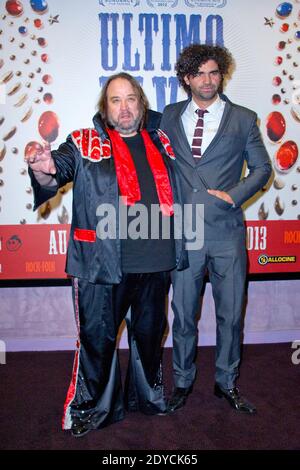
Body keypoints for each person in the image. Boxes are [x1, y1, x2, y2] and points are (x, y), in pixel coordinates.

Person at [25, 72, 187, 437]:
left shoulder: (161, 140)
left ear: (141, 104)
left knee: (149, 336)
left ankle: (147, 398)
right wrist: (44, 168)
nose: (124, 107)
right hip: (101, 265)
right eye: (116, 100)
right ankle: (92, 409)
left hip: (157, 262)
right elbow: (57, 171)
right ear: (105, 107)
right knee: (98, 341)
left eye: (131, 98)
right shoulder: (83, 142)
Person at [160, 44, 272, 415]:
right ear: (186, 79)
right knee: (183, 314)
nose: (207, 81)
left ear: (221, 74)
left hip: (226, 232)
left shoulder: (243, 119)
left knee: (230, 315)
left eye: (214, 72)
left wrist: (233, 195)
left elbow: (261, 169)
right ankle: (183, 382)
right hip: (184, 232)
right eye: (199, 74)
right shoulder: (168, 118)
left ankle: (227, 382)